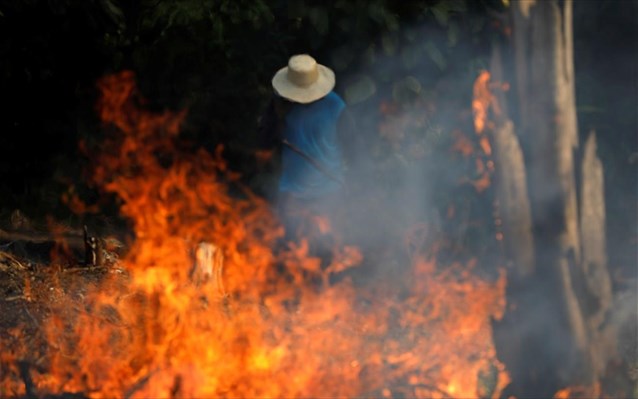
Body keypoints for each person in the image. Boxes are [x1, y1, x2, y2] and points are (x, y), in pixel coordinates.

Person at [258, 54, 357, 254]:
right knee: (292, 251)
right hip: (293, 193)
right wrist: (275, 115)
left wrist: (354, 183)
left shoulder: (336, 107)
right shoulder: (281, 105)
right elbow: (265, 142)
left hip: (329, 193)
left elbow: (354, 149)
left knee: (325, 252)